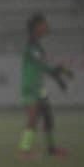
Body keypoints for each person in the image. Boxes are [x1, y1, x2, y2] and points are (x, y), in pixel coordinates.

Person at [18, 12, 72, 158]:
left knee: (48, 116)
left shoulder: (37, 46)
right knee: (33, 118)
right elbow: (42, 65)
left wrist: (59, 78)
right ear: (37, 27)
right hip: (31, 87)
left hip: (39, 88)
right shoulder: (31, 46)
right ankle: (24, 150)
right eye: (44, 24)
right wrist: (59, 72)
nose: (47, 26)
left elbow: (42, 66)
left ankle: (51, 148)